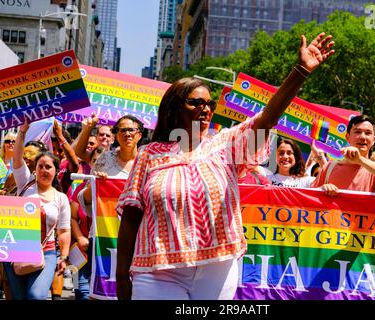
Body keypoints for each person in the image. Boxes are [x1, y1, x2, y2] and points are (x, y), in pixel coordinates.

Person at [115, 32, 335, 300]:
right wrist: (122, 280)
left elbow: (266, 119)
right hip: (158, 272)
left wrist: (300, 71)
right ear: (174, 107)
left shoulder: (227, 145)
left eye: (209, 103)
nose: (205, 109)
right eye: (196, 102)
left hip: (217, 270)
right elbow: (129, 221)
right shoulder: (148, 155)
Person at [2, 122, 71, 300]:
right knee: (19, 297)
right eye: (40, 166)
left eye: (48, 167)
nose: (43, 170)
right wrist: (23, 131)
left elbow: (63, 231)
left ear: (56, 171)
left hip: (46, 252)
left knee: (36, 296)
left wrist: (63, 257)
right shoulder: (25, 182)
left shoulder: (61, 198)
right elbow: (17, 159)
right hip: (17, 249)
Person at [312, 115, 375, 195]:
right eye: (357, 132)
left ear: (373, 140)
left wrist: (360, 160)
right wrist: (322, 190)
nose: (363, 137)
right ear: (347, 137)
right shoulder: (328, 167)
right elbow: (310, 198)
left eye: (368, 133)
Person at [70, 146, 104, 300]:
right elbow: (73, 218)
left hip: (102, 249)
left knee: (99, 292)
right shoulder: (80, 189)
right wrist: (80, 238)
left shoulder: (113, 189)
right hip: (80, 250)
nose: (98, 165)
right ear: (90, 163)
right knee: (80, 290)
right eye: (95, 161)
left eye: (102, 162)